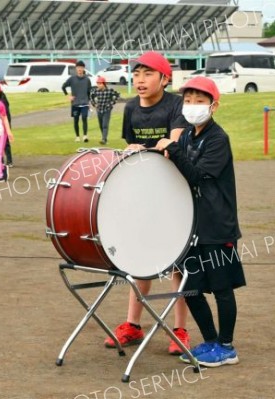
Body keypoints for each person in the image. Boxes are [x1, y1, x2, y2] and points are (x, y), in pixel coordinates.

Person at [155, 76, 245, 367]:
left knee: (221, 288)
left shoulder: (218, 139)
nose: (192, 106)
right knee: (190, 288)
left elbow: (195, 174)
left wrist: (174, 148)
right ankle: (210, 341)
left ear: (213, 106)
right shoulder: (188, 137)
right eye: (188, 100)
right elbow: (175, 159)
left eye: (200, 101)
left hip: (217, 227)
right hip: (193, 226)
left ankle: (227, 347)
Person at [106, 51, 190, 355]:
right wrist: (131, 148)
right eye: (137, 74)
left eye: (148, 74)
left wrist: (150, 149)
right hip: (144, 194)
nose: (140, 80)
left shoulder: (175, 105)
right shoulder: (130, 108)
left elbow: (174, 144)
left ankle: (180, 330)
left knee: (177, 265)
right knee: (139, 259)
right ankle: (133, 325)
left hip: (173, 192)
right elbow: (129, 145)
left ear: (164, 79)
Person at [62, 60, 92, 143]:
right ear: (76, 69)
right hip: (75, 103)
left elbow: (89, 92)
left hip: (85, 103)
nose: (80, 69)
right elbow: (63, 87)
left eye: (81, 68)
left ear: (83, 69)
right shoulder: (72, 79)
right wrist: (68, 96)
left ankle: (85, 136)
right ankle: (77, 136)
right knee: (76, 120)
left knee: (84, 118)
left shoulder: (87, 80)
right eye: (78, 68)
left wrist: (89, 102)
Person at [90, 75, 120, 145]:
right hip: (99, 110)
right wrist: (94, 104)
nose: (98, 85)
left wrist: (111, 103)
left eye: (100, 83)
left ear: (104, 84)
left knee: (104, 125)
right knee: (101, 125)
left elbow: (117, 95)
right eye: (97, 83)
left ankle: (103, 139)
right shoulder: (95, 91)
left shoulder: (109, 91)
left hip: (107, 110)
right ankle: (105, 139)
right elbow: (91, 98)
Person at [0, 89, 14, 167]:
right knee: (4, 143)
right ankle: (8, 160)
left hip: (3, 124)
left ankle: (5, 161)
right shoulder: (3, 99)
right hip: (4, 123)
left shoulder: (1, 102)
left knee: (3, 143)